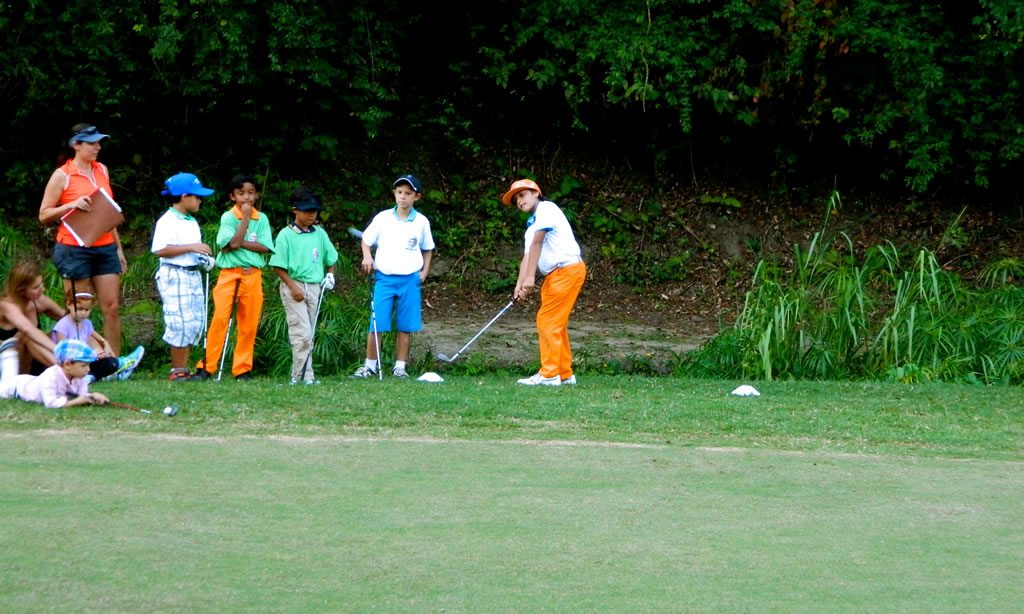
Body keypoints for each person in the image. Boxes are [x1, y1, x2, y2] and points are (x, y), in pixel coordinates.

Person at [38, 123, 127, 355]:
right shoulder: (62, 175)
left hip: (105, 247)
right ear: (76, 145)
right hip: (74, 249)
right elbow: (44, 214)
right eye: (92, 143)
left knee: (112, 307)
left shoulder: (102, 170)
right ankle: (78, 361)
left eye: (99, 142)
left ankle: (114, 362)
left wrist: (118, 249)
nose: (98, 147)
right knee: (78, 310)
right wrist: (71, 205)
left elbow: (107, 213)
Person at [0, 261, 143, 383]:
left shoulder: (39, 301)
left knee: (69, 326)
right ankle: (71, 372)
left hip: (40, 362)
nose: (42, 289)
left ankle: (111, 364)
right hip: (11, 367)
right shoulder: (6, 306)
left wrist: (102, 343)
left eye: (41, 284)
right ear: (21, 290)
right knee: (26, 337)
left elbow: (74, 320)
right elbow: (28, 330)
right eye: (36, 287)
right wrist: (61, 351)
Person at [503, 179, 586, 386]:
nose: (519, 201)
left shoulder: (547, 209)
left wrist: (530, 278)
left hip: (567, 270)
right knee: (556, 323)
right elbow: (528, 256)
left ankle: (549, 374)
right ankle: (564, 373)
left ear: (536, 193)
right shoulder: (531, 227)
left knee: (547, 320)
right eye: (515, 200)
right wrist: (519, 285)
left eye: (522, 195)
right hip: (554, 276)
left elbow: (538, 243)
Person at [352, 174, 435, 379]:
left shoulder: (421, 222)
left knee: (405, 326)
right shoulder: (383, 218)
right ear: (394, 194)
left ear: (416, 197)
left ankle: (400, 367)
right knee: (377, 323)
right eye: (399, 192)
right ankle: (370, 366)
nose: (403, 197)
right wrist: (367, 256)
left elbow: (427, 249)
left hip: (410, 279)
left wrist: (424, 273)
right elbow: (366, 241)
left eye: (408, 193)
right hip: (385, 278)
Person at [193, 174, 274, 381]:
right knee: (220, 319)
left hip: (253, 275)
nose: (246, 197)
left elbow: (265, 247)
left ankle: (242, 369)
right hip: (229, 274)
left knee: (248, 324)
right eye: (241, 193)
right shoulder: (228, 217)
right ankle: (206, 367)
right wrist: (244, 220)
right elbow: (230, 244)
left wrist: (238, 243)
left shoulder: (262, 218)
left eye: (251, 193)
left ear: (256, 195)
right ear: (232, 196)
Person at [268, 187, 338, 384]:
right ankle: (301, 377)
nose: (311, 215)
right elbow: (277, 265)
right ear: (295, 210)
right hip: (293, 285)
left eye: (314, 211)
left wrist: (330, 275)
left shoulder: (320, 234)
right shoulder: (285, 235)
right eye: (307, 211)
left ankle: (305, 375)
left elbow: (331, 258)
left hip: (315, 286)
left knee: (310, 332)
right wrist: (293, 287)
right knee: (301, 333)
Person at [151, 172, 215, 381]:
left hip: (191, 273)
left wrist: (202, 258)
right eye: (197, 196)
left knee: (193, 321)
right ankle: (176, 370)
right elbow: (160, 249)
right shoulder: (167, 220)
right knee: (179, 321)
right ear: (184, 196)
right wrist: (192, 247)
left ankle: (183, 370)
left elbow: (192, 251)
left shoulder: (191, 221)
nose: (200, 200)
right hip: (174, 274)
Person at [0, 339, 110, 409]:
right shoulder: (50, 377)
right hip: (16, 388)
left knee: (9, 377)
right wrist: (75, 402)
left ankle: (8, 354)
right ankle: (9, 355)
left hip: (28, 380)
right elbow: (50, 403)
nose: (88, 369)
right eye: (84, 365)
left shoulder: (79, 376)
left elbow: (80, 396)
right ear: (67, 365)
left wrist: (93, 396)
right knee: (6, 383)